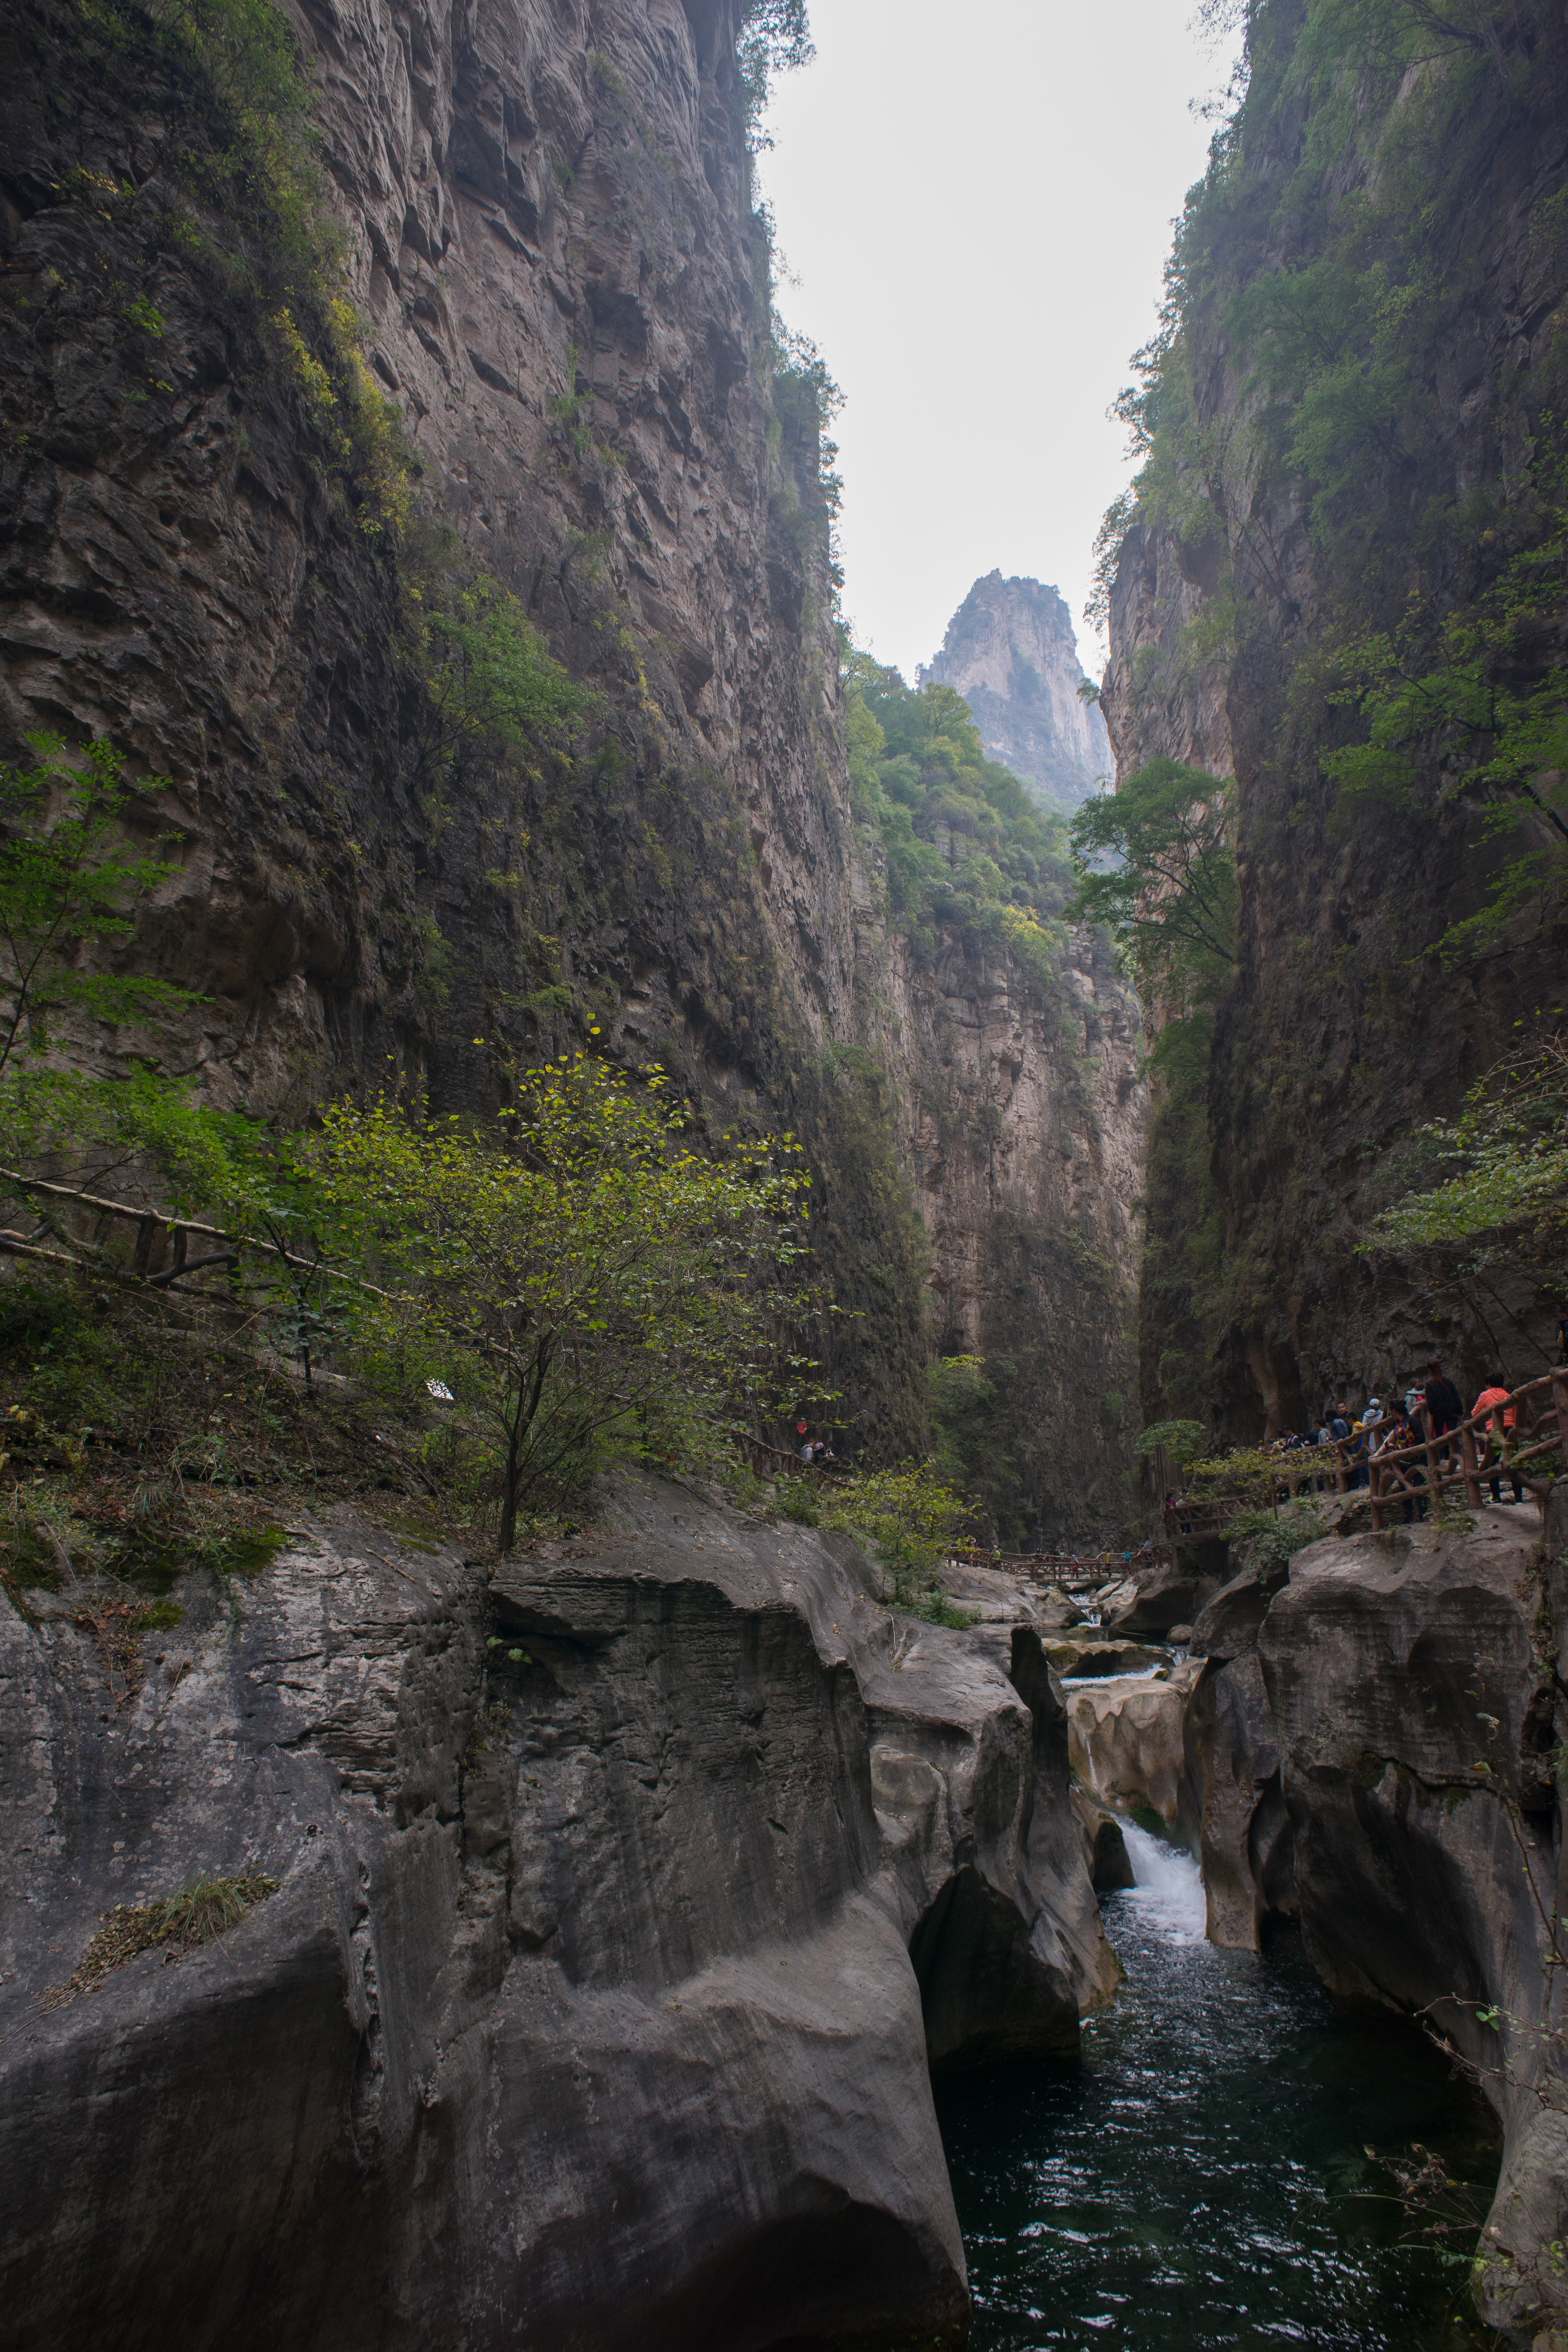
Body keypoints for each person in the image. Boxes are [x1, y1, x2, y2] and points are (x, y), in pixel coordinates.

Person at [1472, 1376, 1524, 1504]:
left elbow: (1475, 1414)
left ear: (1489, 1384)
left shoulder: (1485, 1395)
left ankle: (1496, 1497)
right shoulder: (1509, 1396)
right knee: (1513, 1462)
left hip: (1494, 1430)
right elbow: (1516, 1415)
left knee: (1492, 1462)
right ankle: (1519, 1498)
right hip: (1510, 1430)